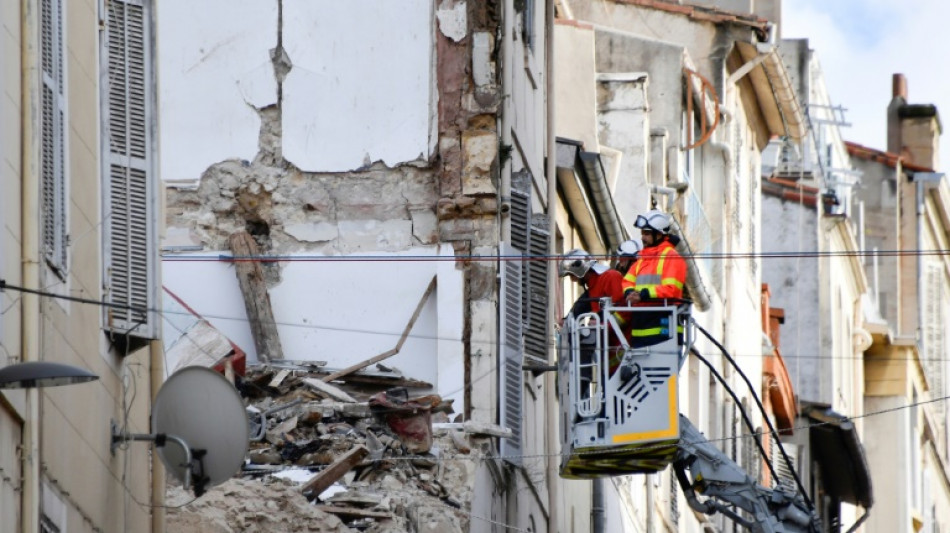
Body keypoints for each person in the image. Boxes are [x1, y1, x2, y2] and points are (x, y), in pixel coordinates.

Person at [622, 209, 687, 347]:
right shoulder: (643, 258)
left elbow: (671, 290)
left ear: (659, 234)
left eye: (646, 234)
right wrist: (629, 293)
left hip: (663, 332)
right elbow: (627, 281)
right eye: (642, 233)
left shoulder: (672, 257)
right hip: (640, 329)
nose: (642, 238)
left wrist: (643, 294)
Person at [559, 248, 629, 374]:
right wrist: (566, 321)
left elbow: (619, 306)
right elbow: (581, 306)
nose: (572, 280)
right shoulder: (592, 285)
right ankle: (578, 380)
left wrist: (598, 320)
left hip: (621, 345)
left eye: (571, 275)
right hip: (608, 351)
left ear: (580, 269)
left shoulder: (610, 277)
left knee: (585, 340)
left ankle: (582, 381)